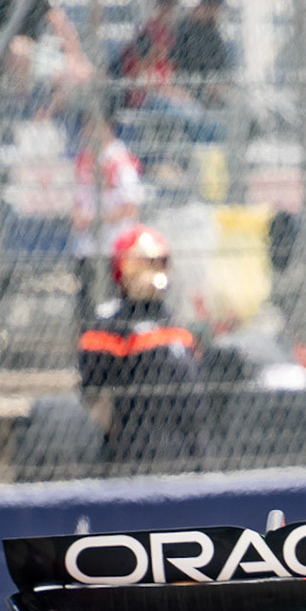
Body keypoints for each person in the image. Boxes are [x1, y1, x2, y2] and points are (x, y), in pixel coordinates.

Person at [78, 226, 205, 471]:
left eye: (160, 262)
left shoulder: (175, 324)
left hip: (184, 444)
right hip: (134, 447)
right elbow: (93, 391)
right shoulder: (109, 324)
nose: (155, 271)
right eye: (147, 262)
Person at [70, 106, 145, 318]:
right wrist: (76, 216)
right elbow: (78, 200)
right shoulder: (85, 158)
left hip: (113, 249)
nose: (86, 132)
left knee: (111, 312)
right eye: (84, 127)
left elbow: (131, 208)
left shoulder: (120, 159)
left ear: (106, 128)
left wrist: (95, 220)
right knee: (85, 312)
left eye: (91, 126)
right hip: (86, 248)